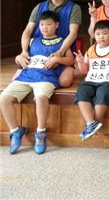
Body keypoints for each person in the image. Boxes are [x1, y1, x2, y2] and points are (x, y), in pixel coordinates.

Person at [1, 11, 74, 155]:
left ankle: (40, 132)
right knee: (3, 99)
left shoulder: (62, 42)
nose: (44, 28)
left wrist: (58, 59)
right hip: (26, 76)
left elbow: (71, 60)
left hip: (46, 78)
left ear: (57, 25)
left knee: (41, 98)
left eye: (48, 24)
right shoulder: (32, 41)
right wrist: (18, 58)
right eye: (42, 25)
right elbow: (21, 58)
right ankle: (15, 131)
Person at [19, 0, 81, 88]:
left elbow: (73, 33)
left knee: (64, 82)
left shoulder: (74, 8)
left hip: (62, 54)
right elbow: (27, 30)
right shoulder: (39, 7)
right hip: (39, 54)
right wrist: (24, 51)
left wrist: (60, 53)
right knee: (21, 66)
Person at [74, 20, 109, 141]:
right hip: (91, 80)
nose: (101, 37)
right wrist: (80, 62)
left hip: (108, 80)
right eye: (98, 34)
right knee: (81, 92)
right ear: (94, 35)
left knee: (103, 93)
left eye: (105, 33)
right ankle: (91, 123)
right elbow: (84, 70)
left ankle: (92, 125)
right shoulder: (91, 49)